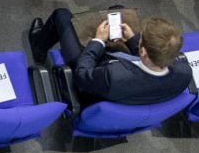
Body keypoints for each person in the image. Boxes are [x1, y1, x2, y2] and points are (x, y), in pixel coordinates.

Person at [28, 8, 192, 106]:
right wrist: (133, 40)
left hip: (93, 79)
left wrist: (98, 41)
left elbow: (83, 74)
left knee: (61, 15)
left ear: (143, 52)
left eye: (141, 39)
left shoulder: (114, 75)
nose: (138, 38)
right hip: (134, 90)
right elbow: (150, 62)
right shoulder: (184, 73)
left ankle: (38, 48)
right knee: (118, 9)